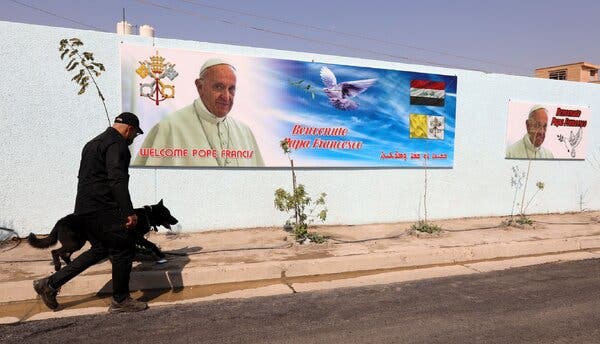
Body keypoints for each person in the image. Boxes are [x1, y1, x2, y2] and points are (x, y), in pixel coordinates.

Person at [33, 112, 148, 313]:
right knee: (123, 249)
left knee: (101, 250)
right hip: (104, 209)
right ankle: (120, 301)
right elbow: (116, 179)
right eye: (135, 135)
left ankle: (49, 284)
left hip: (84, 209)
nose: (133, 139)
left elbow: (84, 177)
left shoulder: (92, 143)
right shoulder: (117, 144)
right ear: (129, 129)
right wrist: (128, 212)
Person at [133, 58, 265, 167]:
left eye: (231, 89)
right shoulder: (170, 127)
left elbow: (260, 180)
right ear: (200, 87)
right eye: (218, 87)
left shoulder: (244, 131)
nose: (226, 96)